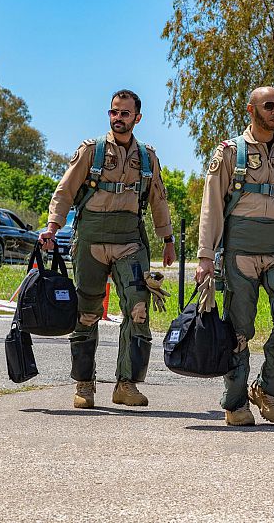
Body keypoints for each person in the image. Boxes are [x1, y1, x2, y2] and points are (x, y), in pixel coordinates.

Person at [39, 89, 174, 409]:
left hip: (130, 241)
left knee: (138, 310)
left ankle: (126, 384)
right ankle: (84, 384)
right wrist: (52, 227)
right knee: (87, 313)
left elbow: (158, 199)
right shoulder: (91, 151)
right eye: (114, 112)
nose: (118, 118)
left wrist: (167, 240)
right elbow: (65, 190)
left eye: (125, 113)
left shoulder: (147, 157)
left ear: (137, 118)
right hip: (91, 241)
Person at [195, 86, 274, 426]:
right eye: (269, 106)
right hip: (241, 252)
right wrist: (205, 256)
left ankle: (266, 388)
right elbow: (211, 206)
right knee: (238, 331)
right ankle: (236, 403)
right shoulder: (229, 153)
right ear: (251, 110)